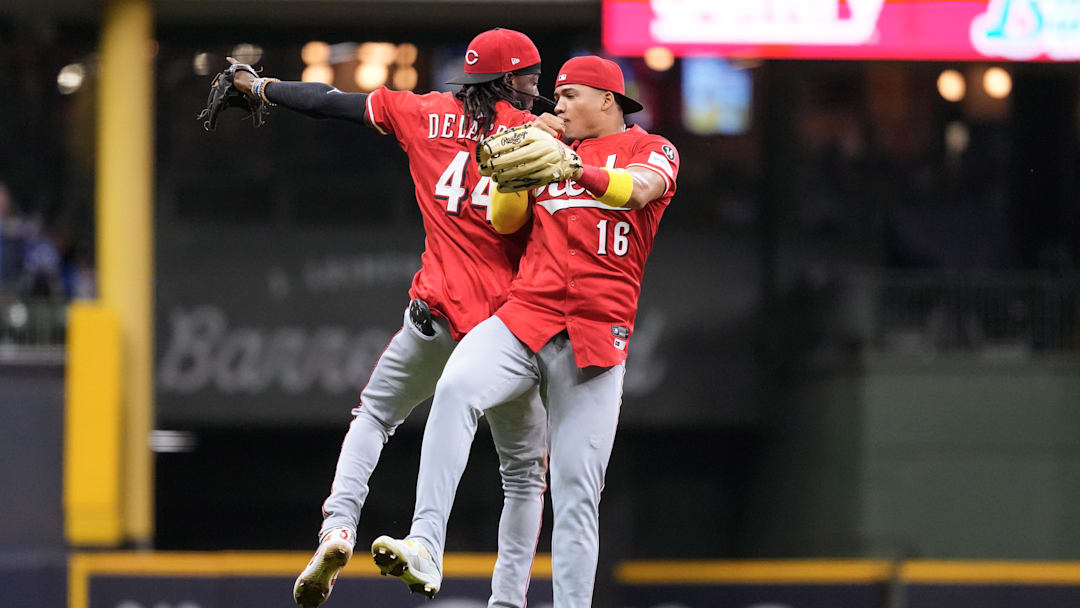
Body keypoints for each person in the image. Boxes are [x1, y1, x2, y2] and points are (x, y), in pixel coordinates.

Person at [224, 28, 557, 608]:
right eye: (527, 76)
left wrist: (265, 87)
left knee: (375, 416)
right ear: (505, 79)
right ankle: (507, 601)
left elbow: (331, 103)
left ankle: (337, 530)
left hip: (432, 315)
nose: (536, 87)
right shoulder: (534, 133)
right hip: (500, 331)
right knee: (524, 476)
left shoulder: (420, 110)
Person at [373, 56, 680, 607]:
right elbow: (507, 222)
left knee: (576, 490)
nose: (555, 106)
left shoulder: (649, 147)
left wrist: (570, 168)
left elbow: (637, 191)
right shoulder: (549, 145)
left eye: (570, 96)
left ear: (607, 100)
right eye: (555, 96)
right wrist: (510, 169)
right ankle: (425, 542)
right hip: (524, 315)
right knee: (454, 388)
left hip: (594, 336)